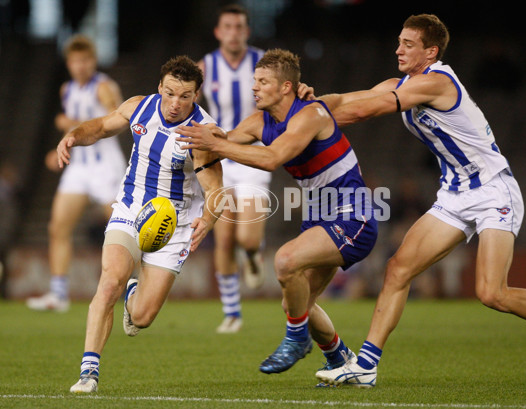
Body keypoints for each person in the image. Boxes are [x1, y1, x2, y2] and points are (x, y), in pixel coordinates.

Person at [312, 14, 526, 387]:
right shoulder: (404, 83)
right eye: (399, 41)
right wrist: (308, 104)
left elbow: (364, 110)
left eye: (408, 44)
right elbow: (349, 99)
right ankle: (365, 367)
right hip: (455, 194)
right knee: (398, 268)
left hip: (494, 190)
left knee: (491, 293)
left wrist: (308, 120)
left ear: (430, 51)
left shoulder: (437, 82)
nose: (398, 49)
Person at [176, 49, 378, 377]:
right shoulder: (259, 122)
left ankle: (296, 341)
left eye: (262, 81)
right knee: (296, 305)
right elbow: (224, 139)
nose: (254, 88)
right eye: (253, 81)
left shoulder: (310, 115)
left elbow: (271, 158)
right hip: (319, 217)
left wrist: (216, 145)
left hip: (353, 215)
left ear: (286, 87)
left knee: (285, 261)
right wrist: (191, 134)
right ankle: (342, 361)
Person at [63, 55, 224, 393]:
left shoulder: (202, 135)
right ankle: (88, 372)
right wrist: (74, 136)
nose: (175, 103)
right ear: (159, 87)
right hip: (131, 207)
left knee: (142, 318)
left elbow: (215, 190)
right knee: (109, 283)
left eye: (184, 96)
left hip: (174, 224)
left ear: (197, 95)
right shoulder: (139, 107)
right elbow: (103, 126)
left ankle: (134, 293)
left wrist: (207, 219)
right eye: (169, 93)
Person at [26, 35, 126, 312]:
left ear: (93, 61)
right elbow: (69, 130)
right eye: (75, 61)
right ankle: (58, 294)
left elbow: (117, 121)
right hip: (79, 168)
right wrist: (57, 148)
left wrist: (71, 123)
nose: (80, 66)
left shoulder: (104, 87)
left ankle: (136, 286)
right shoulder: (67, 89)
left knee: (123, 231)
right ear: (69, 63)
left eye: (85, 60)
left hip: (106, 167)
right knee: (58, 227)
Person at [197, 4, 271, 334]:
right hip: (222, 158)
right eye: (227, 26)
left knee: (247, 236)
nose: (234, 32)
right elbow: (188, 104)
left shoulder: (264, 62)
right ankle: (232, 312)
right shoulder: (206, 66)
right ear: (218, 31)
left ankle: (253, 254)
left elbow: (286, 95)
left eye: (239, 26)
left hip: (255, 154)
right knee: (224, 237)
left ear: (247, 31)